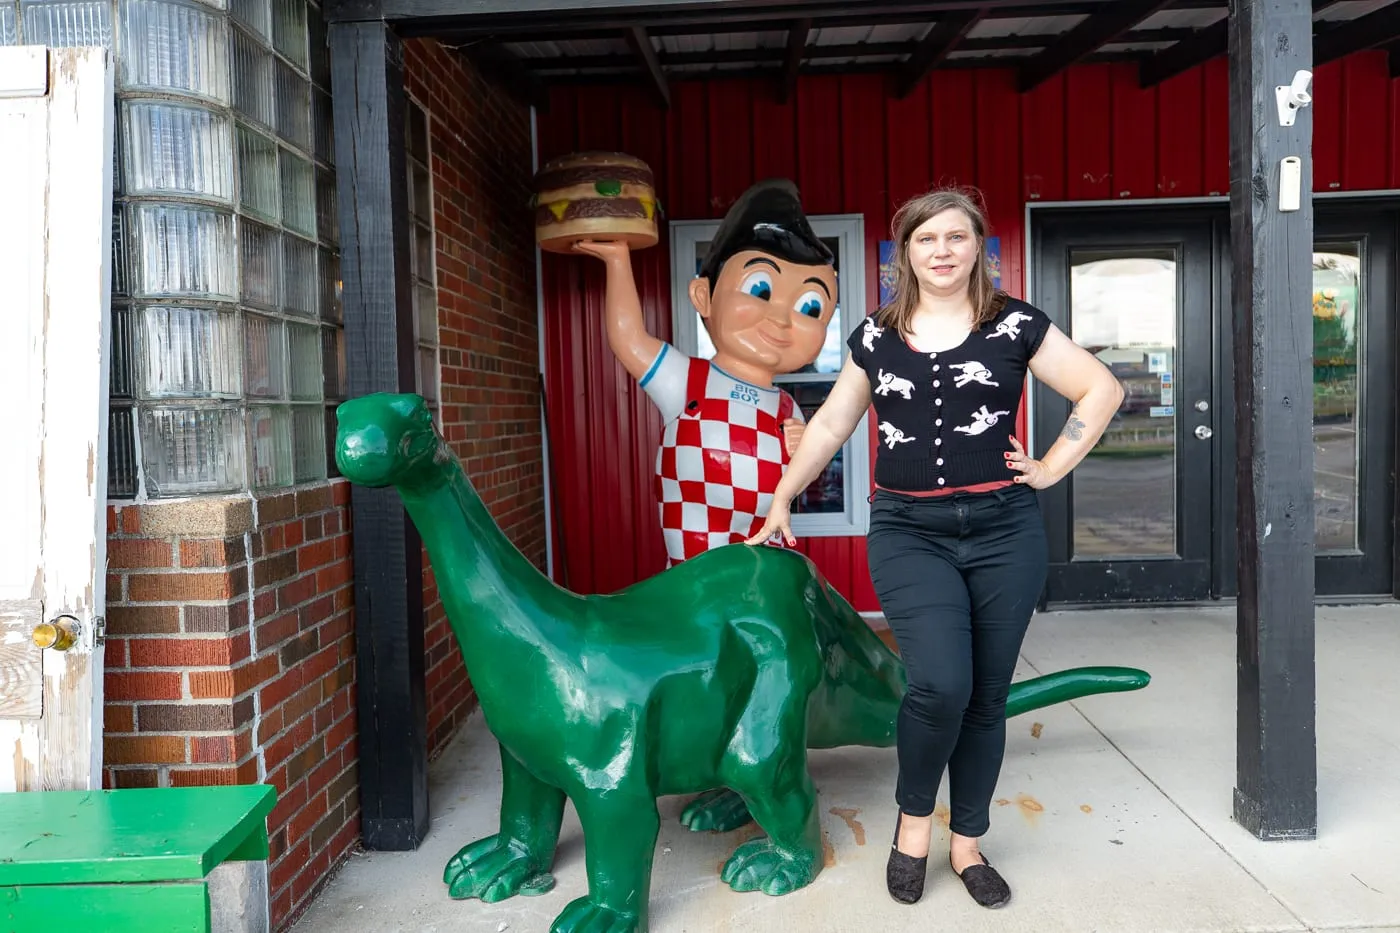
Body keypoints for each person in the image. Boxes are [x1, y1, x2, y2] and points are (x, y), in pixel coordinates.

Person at [746, 188, 1124, 909]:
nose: (943, 250)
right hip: (909, 531)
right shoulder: (876, 336)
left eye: (956, 236)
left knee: (984, 698)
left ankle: (969, 841)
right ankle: (913, 824)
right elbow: (829, 424)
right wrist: (782, 494)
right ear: (904, 253)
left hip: (1005, 529)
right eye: (927, 239)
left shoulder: (1014, 325)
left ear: (978, 247)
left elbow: (1099, 389)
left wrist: (1047, 466)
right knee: (939, 684)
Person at [574, 179, 839, 566]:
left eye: (810, 308)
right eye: (761, 289)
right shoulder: (686, 379)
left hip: (767, 550)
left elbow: (803, 481)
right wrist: (618, 262)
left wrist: (802, 454)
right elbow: (628, 337)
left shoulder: (786, 407)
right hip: (696, 552)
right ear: (703, 296)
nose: (781, 318)